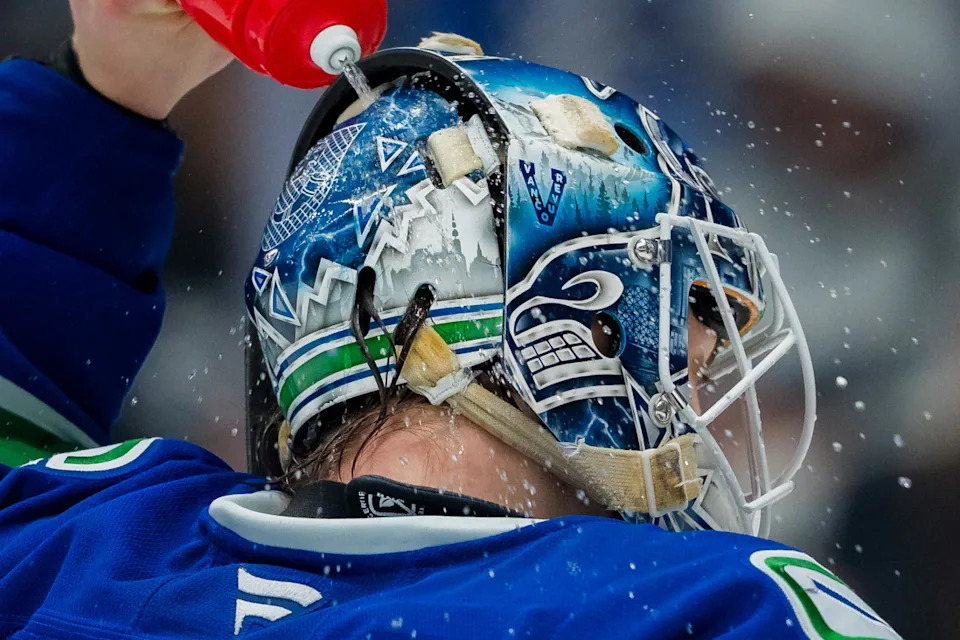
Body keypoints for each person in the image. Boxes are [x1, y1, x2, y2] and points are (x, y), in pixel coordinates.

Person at [0, 1, 900, 638]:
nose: (692, 420)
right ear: (579, 325)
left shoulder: (91, 542)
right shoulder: (704, 611)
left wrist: (106, 94)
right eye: (687, 367)